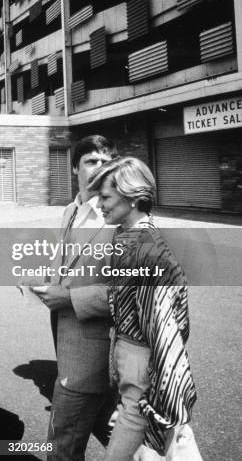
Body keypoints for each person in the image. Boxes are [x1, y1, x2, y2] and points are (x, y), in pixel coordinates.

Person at [88, 157, 198, 461]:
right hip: (133, 358)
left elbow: (162, 328)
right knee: (171, 440)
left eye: (106, 196)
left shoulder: (146, 249)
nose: (99, 204)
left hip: (141, 360)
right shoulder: (128, 237)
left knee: (137, 436)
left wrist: (164, 384)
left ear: (134, 199)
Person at [33, 135, 118, 461]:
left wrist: (68, 299)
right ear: (74, 167)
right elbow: (69, 262)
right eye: (91, 161)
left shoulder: (120, 216)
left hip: (92, 356)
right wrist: (44, 281)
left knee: (60, 448)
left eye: (106, 161)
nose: (100, 168)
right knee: (117, 431)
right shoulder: (72, 209)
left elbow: (132, 292)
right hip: (67, 345)